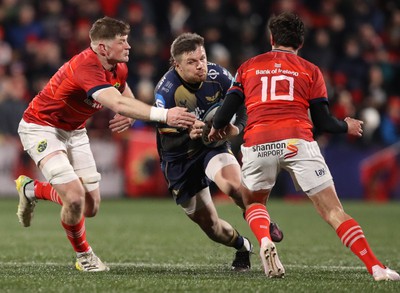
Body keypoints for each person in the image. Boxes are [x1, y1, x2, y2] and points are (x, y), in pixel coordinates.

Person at [209, 12, 400, 281]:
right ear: (300, 42)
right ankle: (376, 267)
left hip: (259, 142)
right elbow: (323, 122)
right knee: (334, 211)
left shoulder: (248, 66)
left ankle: (264, 240)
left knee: (253, 202)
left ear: (272, 38)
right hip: (298, 140)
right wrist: (347, 125)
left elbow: (221, 116)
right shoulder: (310, 70)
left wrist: (218, 128)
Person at [15, 16, 196, 272]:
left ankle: (32, 190)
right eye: (122, 41)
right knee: (75, 199)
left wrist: (130, 114)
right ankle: (85, 258)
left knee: (90, 207)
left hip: (75, 131)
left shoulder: (117, 65)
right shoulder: (86, 66)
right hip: (42, 128)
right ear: (102, 47)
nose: (129, 46)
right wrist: (165, 115)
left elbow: (124, 94)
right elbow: (118, 103)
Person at [154, 32, 283, 272]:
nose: (200, 65)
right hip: (179, 159)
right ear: (177, 64)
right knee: (211, 226)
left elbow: (245, 103)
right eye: (192, 62)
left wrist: (237, 127)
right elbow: (166, 141)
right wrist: (185, 135)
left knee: (233, 187)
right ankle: (243, 246)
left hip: (212, 146)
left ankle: (262, 225)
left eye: (202, 58)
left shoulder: (220, 76)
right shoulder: (166, 91)